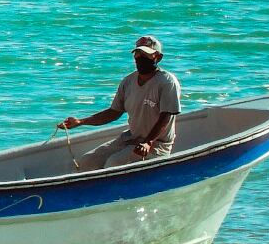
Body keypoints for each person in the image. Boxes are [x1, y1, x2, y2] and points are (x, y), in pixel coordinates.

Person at [58, 35, 181, 170]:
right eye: (138, 54)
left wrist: (148, 142)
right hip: (130, 139)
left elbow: (166, 117)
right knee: (87, 161)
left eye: (146, 55)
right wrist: (80, 122)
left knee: (113, 164)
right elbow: (113, 112)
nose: (140, 58)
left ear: (158, 57)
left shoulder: (167, 82)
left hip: (156, 145)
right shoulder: (128, 82)